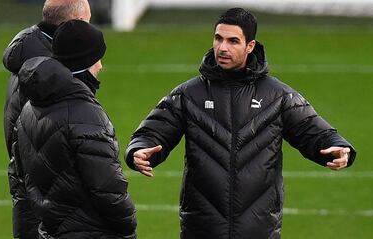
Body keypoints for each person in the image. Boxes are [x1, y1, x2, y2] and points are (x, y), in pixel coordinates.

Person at [125, 7, 356, 239]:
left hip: (258, 229)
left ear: (250, 46)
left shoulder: (277, 96)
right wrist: (141, 150)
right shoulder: (188, 94)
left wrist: (335, 147)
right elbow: (154, 130)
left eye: (233, 41)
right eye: (218, 38)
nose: (223, 47)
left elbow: (312, 130)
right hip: (203, 229)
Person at [13, 20, 137, 239]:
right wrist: (127, 227)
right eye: (98, 58)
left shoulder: (29, 108)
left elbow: (20, 178)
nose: (101, 66)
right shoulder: (85, 115)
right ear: (86, 62)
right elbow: (108, 189)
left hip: (49, 230)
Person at [2, 1, 91, 238]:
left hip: (31, 183)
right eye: (88, 22)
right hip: (46, 191)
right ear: (78, 23)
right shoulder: (48, 72)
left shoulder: (31, 56)